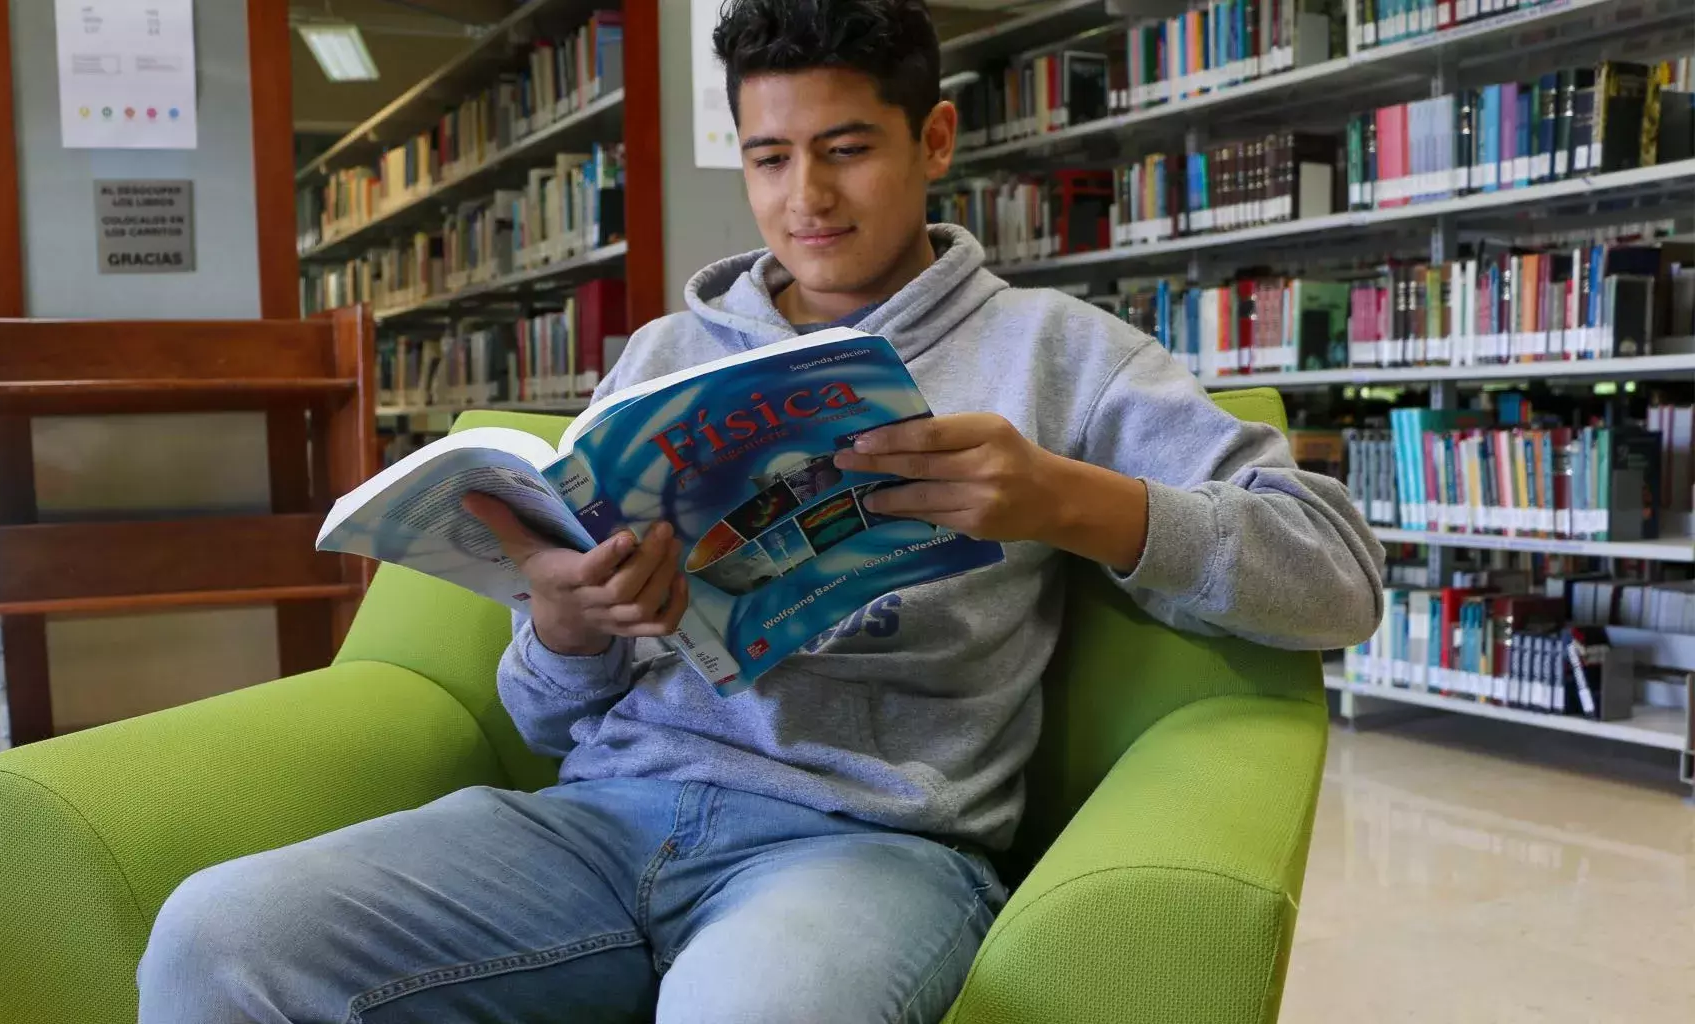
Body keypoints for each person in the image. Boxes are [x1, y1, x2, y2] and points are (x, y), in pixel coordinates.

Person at [136, 1, 1384, 1020]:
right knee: (216, 940)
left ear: (935, 139)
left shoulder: (1064, 357)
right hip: (596, 818)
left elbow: (1337, 576)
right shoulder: (667, 352)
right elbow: (539, 710)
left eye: (847, 148)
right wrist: (568, 627)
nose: (807, 200)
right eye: (769, 156)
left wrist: (1075, 501)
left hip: (865, 847)